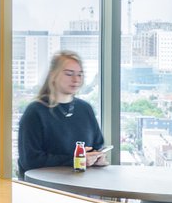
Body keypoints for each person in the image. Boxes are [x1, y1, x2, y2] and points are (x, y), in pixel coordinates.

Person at [17, 49, 108, 178]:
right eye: (69, 74)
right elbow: (30, 160)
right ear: (53, 75)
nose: (76, 79)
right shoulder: (35, 112)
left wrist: (98, 158)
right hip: (46, 190)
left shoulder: (85, 109)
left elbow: (97, 147)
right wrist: (75, 160)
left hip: (83, 186)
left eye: (80, 74)